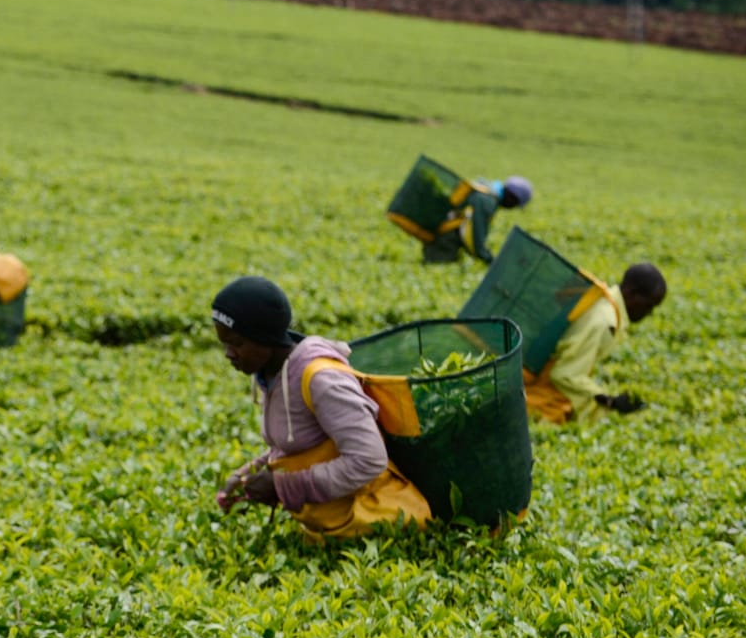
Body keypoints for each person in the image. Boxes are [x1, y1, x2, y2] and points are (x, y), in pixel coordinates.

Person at [212, 277, 431, 541]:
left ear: (264, 338)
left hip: (374, 521)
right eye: (224, 343)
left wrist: (284, 488)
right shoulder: (270, 374)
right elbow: (302, 443)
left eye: (237, 343)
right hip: (327, 529)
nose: (228, 353)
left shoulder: (322, 380)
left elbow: (369, 460)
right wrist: (248, 475)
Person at [524, 263, 666, 424]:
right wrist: (610, 401)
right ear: (632, 293)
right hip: (538, 397)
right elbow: (564, 374)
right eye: (649, 305)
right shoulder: (604, 321)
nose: (649, 313)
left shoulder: (604, 301)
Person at [423, 175, 531, 264]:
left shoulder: (485, 191)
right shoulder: (486, 202)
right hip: (444, 240)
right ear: (512, 197)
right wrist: (491, 262)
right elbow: (475, 238)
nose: (512, 208)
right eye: (515, 204)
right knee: (437, 267)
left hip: (439, 235)